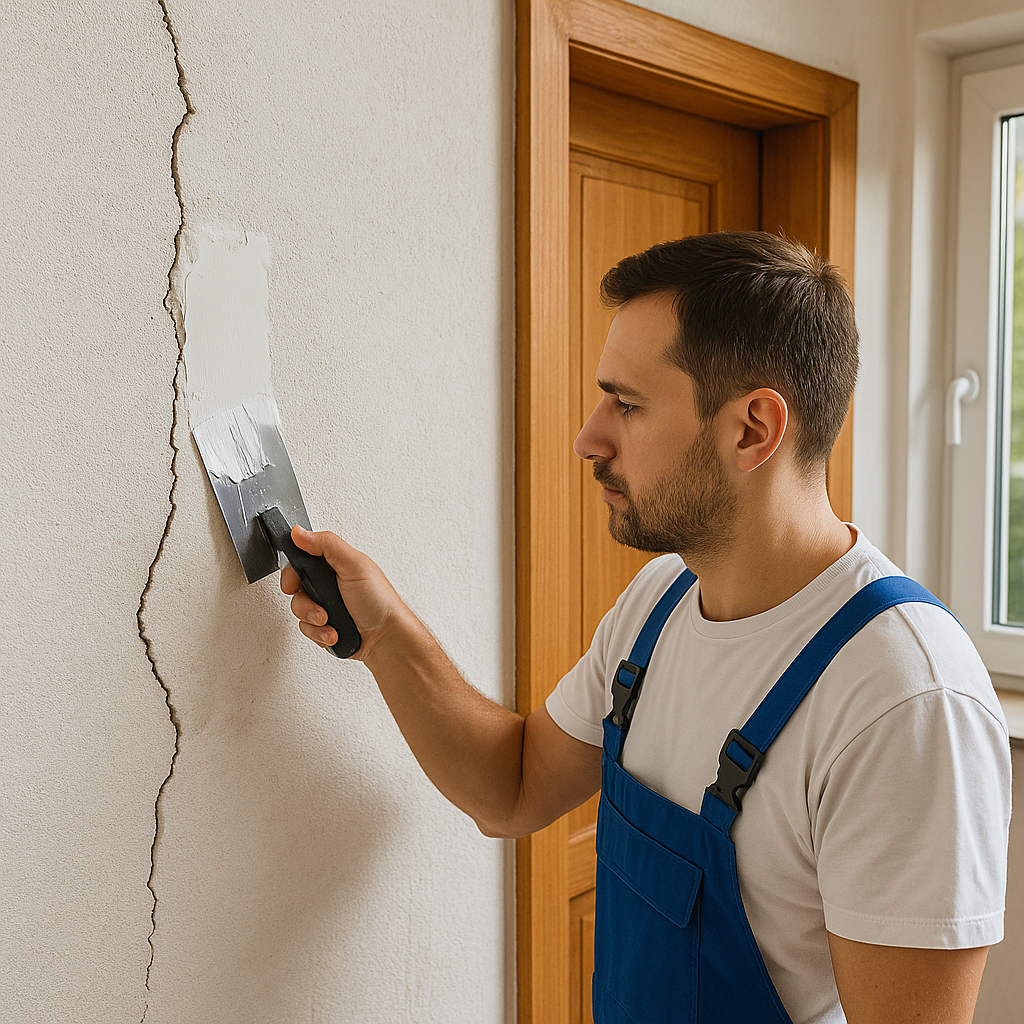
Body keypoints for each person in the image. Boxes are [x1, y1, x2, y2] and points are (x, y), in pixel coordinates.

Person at [282, 232, 1011, 1024]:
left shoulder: (904, 702)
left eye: (627, 404)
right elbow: (513, 790)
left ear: (753, 429)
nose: (588, 438)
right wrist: (386, 634)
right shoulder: (658, 604)